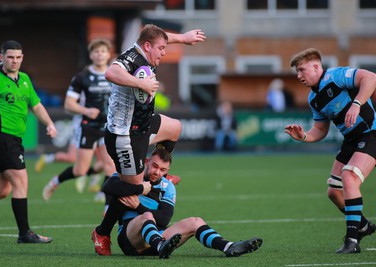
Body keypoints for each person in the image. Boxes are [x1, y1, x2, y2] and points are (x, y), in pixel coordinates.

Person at [91, 24, 206, 256]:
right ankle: (102, 232)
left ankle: (159, 171)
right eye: (161, 49)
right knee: (132, 191)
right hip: (125, 136)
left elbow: (158, 37)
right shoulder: (130, 58)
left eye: (165, 48)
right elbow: (110, 73)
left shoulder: (147, 45)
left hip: (143, 124)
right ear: (146, 47)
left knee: (175, 128)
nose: (164, 52)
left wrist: (182, 39)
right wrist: (141, 83)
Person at [284, 48, 376, 254]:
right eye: (296, 72)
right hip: (351, 140)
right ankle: (362, 226)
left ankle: (352, 241)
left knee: (349, 177)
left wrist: (357, 104)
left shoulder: (336, 76)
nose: (298, 76)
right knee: (334, 191)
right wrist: (304, 136)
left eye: (301, 70)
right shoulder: (313, 99)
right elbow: (320, 129)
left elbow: (371, 77)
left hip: (372, 132)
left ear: (316, 66)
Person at [98, 148, 263, 258]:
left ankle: (228, 247)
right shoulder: (132, 175)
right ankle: (161, 246)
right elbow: (108, 186)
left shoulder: (168, 187)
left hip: (158, 238)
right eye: (155, 166)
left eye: (163, 170)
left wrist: (137, 206)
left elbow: (163, 220)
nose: (157, 172)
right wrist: (140, 189)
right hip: (130, 240)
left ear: (167, 171)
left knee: (195, 221)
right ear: (147, 162)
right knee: (147, 215)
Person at [0, 40, 57, 243]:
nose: (15, 61)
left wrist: (49, 123)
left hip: (14, 140)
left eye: (18, 57)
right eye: (10, 57)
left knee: (1, 190)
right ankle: (25, 233)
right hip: (0, 137)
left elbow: (36, 106)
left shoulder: (25, 80)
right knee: (21, 180)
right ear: (1, 58)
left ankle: (24, 233)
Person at [42, 39, 116, 201]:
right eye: (96, 51)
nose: (100, 54)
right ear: (91, 55)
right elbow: (69, 104)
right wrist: (86, 110)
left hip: (108, 127)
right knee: (80, 171)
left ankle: (107, 206)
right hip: (87, 127)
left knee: (110, 166)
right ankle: (55, 181)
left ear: (108, 54)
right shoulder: (82, 77)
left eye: (103, 51)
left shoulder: (114, 74)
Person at [35, 114, 104, 194]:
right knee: (72, 158)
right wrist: (87, 111)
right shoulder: (85, 105)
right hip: (82, 128)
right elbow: (71, 105)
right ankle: (47, 159)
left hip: (98, 126)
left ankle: (93, 183)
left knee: (102, 159)